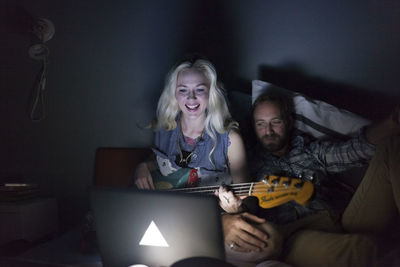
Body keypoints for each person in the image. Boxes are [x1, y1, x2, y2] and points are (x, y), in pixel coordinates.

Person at [133, 57, 289, 266]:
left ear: (211, 93)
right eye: (182, 90)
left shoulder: (231, 139)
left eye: (199, 89)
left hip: (214, 222)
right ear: (174, 94)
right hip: (170, 217)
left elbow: (249, 200)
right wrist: (144, 166)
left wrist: (235, 210)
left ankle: (182, 251)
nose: (191, 97)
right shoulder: (165, 128)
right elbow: (159, 160)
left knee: (271, 241)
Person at [222, 90, 400, 267]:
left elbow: (351, 151)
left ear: (289, 122)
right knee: (363, 250)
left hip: (340, 217)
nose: (268, 131)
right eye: (260, 124)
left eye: (275, 122)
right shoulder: (249, 163)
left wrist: (392, 123)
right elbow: (247, 215)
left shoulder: (308, 148)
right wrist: (235, 210)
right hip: (297, 234)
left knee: (392, 145)